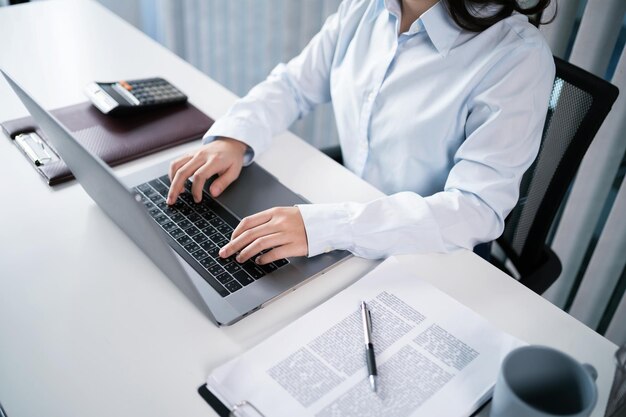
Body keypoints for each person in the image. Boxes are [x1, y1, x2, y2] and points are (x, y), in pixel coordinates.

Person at [166, 0, 555, 267]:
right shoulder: (365, 8)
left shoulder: (517, 58)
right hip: (345, 219)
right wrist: (234, 138)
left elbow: (476, 209)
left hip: (431, 253)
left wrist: (329, 227)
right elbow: (295, 85)